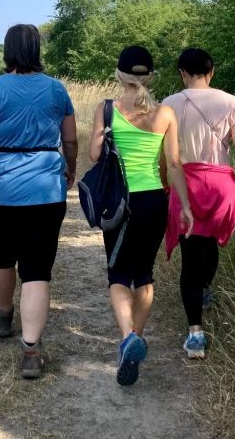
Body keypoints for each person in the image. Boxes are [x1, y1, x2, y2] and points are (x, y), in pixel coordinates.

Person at [0, 23, 78, 380]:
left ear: (7, 50)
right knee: (37, 267)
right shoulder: (57, 90)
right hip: (46, 188)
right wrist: (69, 170)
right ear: (38, 49)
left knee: (1, 252)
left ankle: (3, 314)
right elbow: (69, 141)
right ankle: (31, 350)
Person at [88, 45, 193, 386]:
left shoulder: (107, 109)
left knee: (118, 273)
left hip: (120, 202)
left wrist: (106, 136)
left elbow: (93, 156)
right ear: (150, 76)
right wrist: (186, 207)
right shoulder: (165, 114)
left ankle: (127, 338)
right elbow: (174, 164)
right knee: (143, 274)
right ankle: (136, 335)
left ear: (119, 75)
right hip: (154, 201)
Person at [162, 47, 235, 359]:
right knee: (212, 245)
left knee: (191, 257)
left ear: (182, 73)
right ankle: (204, 289)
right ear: (211, 71)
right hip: (219, 184)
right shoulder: (231, 101)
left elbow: (168, 155)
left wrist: (164, 181)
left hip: (186, 182)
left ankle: (195, 334)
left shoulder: (170, 104)